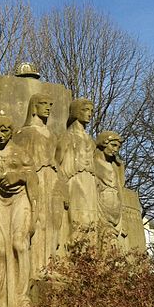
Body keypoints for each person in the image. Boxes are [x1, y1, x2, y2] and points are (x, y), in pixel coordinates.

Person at [0, 115, 38, 307]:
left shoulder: (21, 153)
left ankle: (22, 298)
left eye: (5, 131)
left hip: (19, 201)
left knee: (19, 245)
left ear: (12, 131)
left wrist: (18, 175)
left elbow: (33, 179)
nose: (1, 135)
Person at [13, 94, 61, 278]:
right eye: (43, 104)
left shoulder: (52, 134)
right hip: (35, 179)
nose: (48, 108)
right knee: (37, 220)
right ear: (34, 107)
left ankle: (50, 265)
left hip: (51, 179)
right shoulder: (25, 133)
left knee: (51, 222)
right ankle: (37, 268)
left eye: (50, 104)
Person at [56, 98, 98, 245]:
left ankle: (89, 264)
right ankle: (76, 264)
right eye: (85, 110)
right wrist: (62, 190)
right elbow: (57, 164)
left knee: (92, 225)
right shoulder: (66, 137)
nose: (89, 114)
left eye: (91, 111)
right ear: (75, 112)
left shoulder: (91, 141)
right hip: (74, 182)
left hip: (90, 184)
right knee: (80, 224)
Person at [94, 131, 127, 247]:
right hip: (101, 207)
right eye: (113, 145)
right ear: (104, 143)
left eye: (118, 147)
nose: (116, 150)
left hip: (115, 211)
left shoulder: (114, 166)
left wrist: (120, 166)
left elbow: (120, 186)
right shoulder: (93, 162)